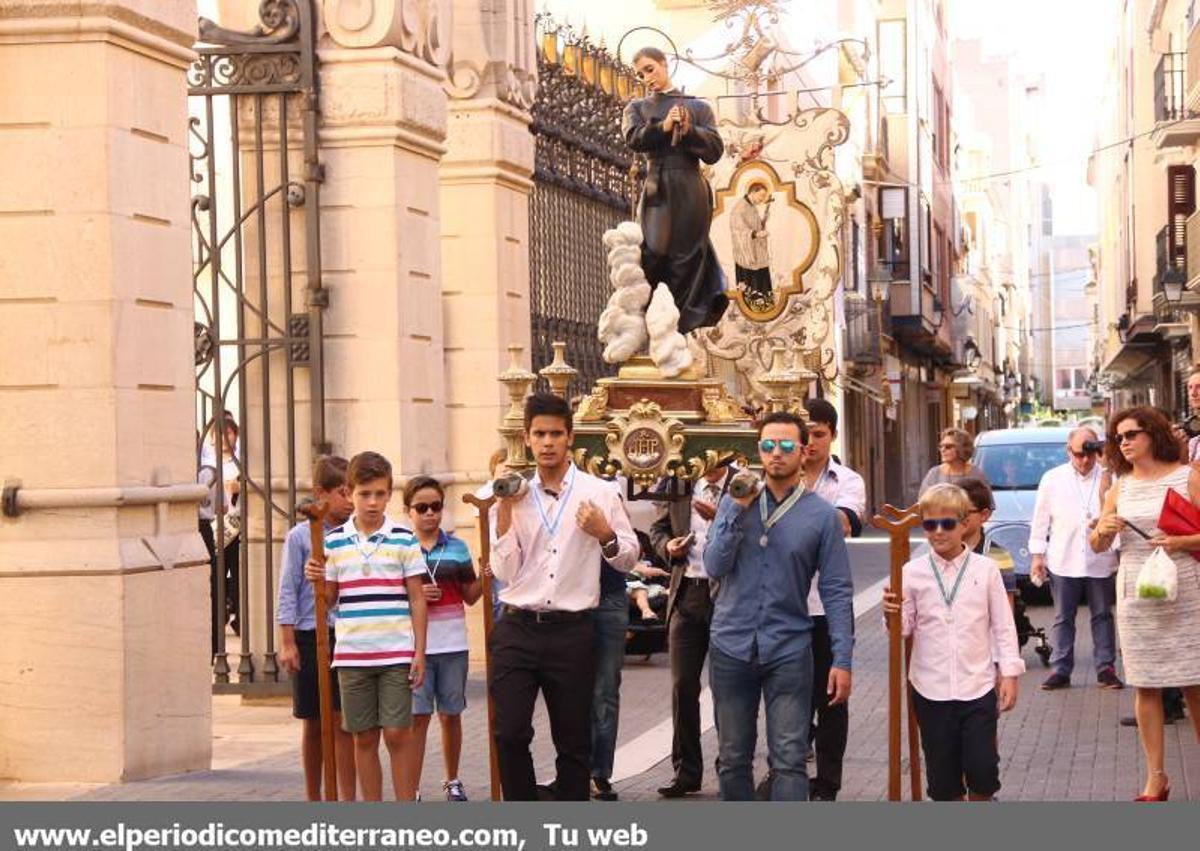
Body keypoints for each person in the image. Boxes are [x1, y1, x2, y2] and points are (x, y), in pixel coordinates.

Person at [490, 393, 640, 801]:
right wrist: (503, 513)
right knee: (509, 732)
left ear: (570, 436)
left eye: (556, 433)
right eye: (539, 434)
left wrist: (604, 533)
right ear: (527, 437)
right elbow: (504, 572)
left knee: (574, 741)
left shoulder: (601, 493)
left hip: (573, 631)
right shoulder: (511, 496)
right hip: (518, 626)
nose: (548, 442)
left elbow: (628, 558)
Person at [703, 412, 854, 801]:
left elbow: (837, 589)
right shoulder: (735, 500)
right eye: (768, 445)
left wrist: (842, 659)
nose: (776, 454)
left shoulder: (821, 515)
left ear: (803, 452)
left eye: (786, 446)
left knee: (788, 757)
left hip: (788, 646)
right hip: (731, 645)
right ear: (759, 450)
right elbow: (714, 565)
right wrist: (736, 509)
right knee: (733, 756)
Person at [882, 484, 1023, 802]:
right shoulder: (911, 572)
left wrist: (1010, 673)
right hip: (931, 688)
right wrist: (890, 612)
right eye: (930, 524)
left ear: (964, 524)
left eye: (947, 523)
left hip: (978, 684)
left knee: (983, 771)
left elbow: (1003, 625)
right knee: (943, 781)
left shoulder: (985, 569)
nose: (938, 531)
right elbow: (903, 629)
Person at [304, 451, 428, 801]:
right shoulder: (333, 543)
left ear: (389, 494)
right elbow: (329, 599)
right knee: (363, 736)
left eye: (379, 494)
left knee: (397, 733)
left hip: (396, 653)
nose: (372, 502)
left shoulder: (404, 539)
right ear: (349, 492)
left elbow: (417, 598)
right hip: (352, 655)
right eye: (364, 494)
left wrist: (419, 652)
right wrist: (316, 577)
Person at [1090, 406, 1200, 801]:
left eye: (1132, 434)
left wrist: (1181, 542)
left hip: (1186, 589)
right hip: (1137, 591)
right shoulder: (1119, 487)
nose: (1125, 443)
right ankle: (1156, 777)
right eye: (1119, 438)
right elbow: (1098, 545)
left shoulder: (1188, 477)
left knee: (1194, 682)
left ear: (1153, 433)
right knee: (1146, 684)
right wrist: (1102, 530)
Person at [623, 46, 728, 334]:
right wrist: (664, 125)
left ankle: (677, 329)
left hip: (690, 186)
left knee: (687, 254)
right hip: (658, 185)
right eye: (640, 73)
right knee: (653, 252)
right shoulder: (637, 108)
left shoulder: (698, 107)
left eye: (650, 69)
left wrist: (690, 130)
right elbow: (634, 138)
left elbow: (715, 150)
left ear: (664, 65)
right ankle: (654, 321)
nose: (646, 77)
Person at [792, 398, 866, 801]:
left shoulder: (848, 482)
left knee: (833, 698)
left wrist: (799, 497)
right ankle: (787, 774)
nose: (809, 445)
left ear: (832, 435)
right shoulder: (778, 477)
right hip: (788, 608)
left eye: (818, 435)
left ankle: (829, 783)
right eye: (805, 436)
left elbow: (842, 525)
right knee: (790, 696)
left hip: (827, 605)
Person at [649, 461, 736, 798]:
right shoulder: (678, 483)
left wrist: (722, 519)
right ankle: (686, 771)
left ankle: (730, 766)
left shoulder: (743, 485)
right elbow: (658, 529)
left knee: (727, 687)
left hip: (727, 596)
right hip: (686, 592)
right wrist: (667, 547)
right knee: (683, 685)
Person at [277, 456, 357, 800]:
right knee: (313, 721)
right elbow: (287, 589)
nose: (350, 500)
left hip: (347, 633)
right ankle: (314, 797)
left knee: (344, 722)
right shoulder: (299, 537)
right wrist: (288, 641)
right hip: (310, 635)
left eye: (352, 491)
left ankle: (344, 797)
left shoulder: (355, 534)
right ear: (320, 493)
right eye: (342, 492)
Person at [403, 475, 483, 802]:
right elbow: (392, 596)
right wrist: (417, 593)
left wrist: (487, 578)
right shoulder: (400, 547)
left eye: (436, 506)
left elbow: (471, 596)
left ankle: (452, 780)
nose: (430, 513)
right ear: (408, 511)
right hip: (416, 647)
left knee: (451, 714)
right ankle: (413, 786)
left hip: (453, 645)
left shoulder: (457, 547)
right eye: (421, 508)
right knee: (417, 718)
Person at [1029, 427, 1122, 691]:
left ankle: (1106, 668)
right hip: (1063, 557)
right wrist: (1038, 555)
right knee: (1062, 616)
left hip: (1100, 559)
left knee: (1102, 615)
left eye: (1090, 454)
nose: (1084, 460)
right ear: (1068, 451)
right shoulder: (1052, 478)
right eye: (1079, 454)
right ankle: (1061, 669)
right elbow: (1040, 520)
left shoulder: (1110, 478)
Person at [919, 427, 989, 496]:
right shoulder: (934, 474)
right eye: (941, 446)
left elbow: (987, 504)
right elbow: (923, 503)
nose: (943, 450)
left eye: (948, 447)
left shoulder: (976, 474)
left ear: (962, 448)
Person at [731, 182, 773, 297]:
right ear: (753, 192)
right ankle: (752, 309)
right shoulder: (740, 208)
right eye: (761, 196)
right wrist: (757, 234)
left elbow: (754, 225)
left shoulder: (751, 206)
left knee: (762, 281)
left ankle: (765, 306)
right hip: (746, 255)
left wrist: (763, 220)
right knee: (751, 289)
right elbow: (738, 231)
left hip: (757, 252)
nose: (763, 199)